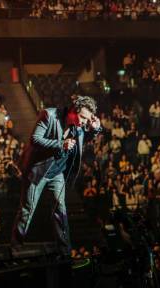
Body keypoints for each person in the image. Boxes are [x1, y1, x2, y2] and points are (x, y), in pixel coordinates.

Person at [11, 96, 102, 256]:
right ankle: (15, 248)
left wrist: (94, 129)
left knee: (60, 210)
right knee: (27, 209)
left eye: (86, 119)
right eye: (82, 117)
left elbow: (84, 138)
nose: (83, 122)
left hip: (58, 172)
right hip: (38, 171)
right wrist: (60, 144)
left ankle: (65, 250)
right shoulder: (49, 115)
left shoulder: (79, 124)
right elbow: (35, 139)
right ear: (73, 110)